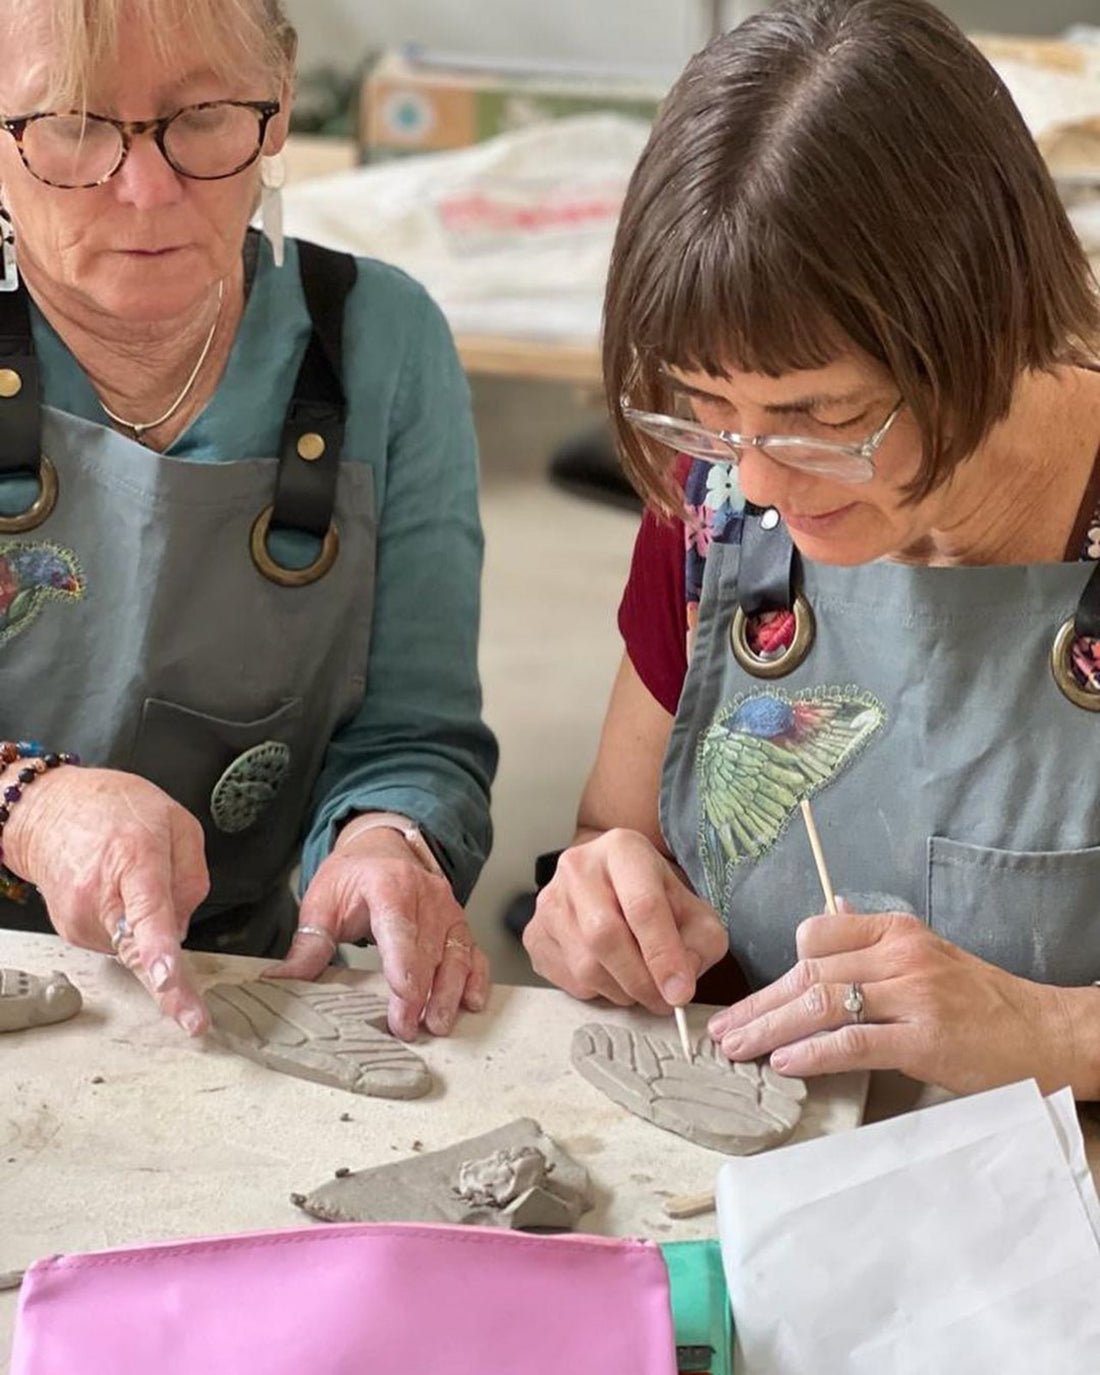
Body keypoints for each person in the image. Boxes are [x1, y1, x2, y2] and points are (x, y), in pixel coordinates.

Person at [524, 0, 1100, 1098]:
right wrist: (598, 893)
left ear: (984, 324)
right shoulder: (716, 496)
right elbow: (615, 827)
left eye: (820, 414)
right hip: (776, 1172)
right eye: (701, 405)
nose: (758, 483)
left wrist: (1055, 1034)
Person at [0, 0, 497, 1042]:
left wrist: (386, 839)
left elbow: (413, 732)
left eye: (204, 118)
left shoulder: (382, 345)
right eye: (73, 128)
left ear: (276, 104)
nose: (144, 189)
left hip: (231, 987)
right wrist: (31, 803)